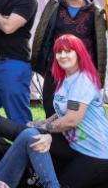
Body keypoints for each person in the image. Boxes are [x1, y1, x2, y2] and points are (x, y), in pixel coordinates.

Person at [33, 34, 108, 187]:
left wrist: (44, 128)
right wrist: (43, 122)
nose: (63, 55)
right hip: (78, 148)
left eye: (68, 51)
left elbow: (71, 120)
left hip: (98, 153)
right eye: (59, 52)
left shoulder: (82, 80)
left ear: (79, 53)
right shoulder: (67, 80)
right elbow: (66, 111)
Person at [32, 0, 106, 116]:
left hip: (83, 72)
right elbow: (43, 35)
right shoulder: (54, 8)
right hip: (56, 69)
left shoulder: (95, 12)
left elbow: (101, 42)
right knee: (51, 108)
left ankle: (77, 139)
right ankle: (54, 137)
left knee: (80, 113)